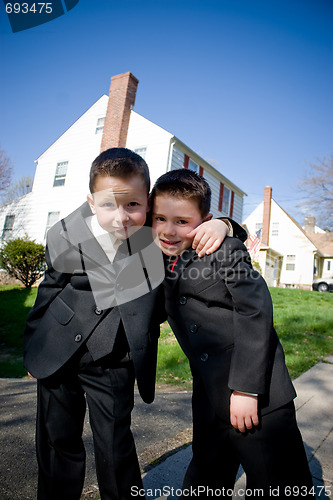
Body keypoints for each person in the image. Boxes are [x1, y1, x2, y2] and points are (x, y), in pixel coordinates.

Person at [23, 148, 233, 500]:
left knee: (115, 444)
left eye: (133, 205)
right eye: (108, 205)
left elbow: (194, 219)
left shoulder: (158, 232)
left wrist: (223, 224)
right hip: (57, 349)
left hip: (115, 356)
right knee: (57, 439)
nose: (121, 217)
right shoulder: (64, 234)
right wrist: (34, 347)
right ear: (92, 202)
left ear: (148, 202)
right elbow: (49, 289)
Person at [151, 168, 313, 499]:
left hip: (258, 395)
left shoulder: (223, 249)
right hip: (209, 398)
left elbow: (256, 309)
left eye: (182, 221)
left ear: (203, 221)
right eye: (160, 219)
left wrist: (246, 390)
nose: (169, 230)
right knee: (205, 479)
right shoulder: (155, 258)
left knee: (277, 481)